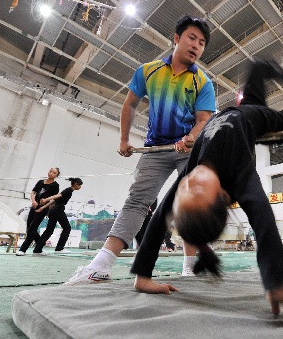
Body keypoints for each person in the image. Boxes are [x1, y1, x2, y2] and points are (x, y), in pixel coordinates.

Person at [131, 58, 283, 328]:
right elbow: (262, 219)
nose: (190, 182)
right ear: (224, 195)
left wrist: (142, 275)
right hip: (259, 120)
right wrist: (281, 284)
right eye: (198, 188)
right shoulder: (240, 176)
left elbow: (158, 222)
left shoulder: (190, 175)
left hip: (243, 107)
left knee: (258, 66)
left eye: (184, 188)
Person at [63, 15, 216, 285]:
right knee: (137, 201)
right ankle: (101, 266)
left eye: (202, 43)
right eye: (192, 38)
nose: (196, 46)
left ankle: (190, 267)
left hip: (188, 150)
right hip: (155, 150)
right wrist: (124, 140)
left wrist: (191, 137)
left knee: (191, 205)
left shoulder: (203, 82)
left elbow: (203, 120)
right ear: (177, 38)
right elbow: (130, 104)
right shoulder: (148, 71)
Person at [16, 167, 60, 256]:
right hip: (34, 206)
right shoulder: (40, 182)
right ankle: (40, 243)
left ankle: (23, 249)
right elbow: (33, 192)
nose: (51, 173)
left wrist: (44, 208)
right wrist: (33, 201)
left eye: (54, 173)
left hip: (43, 208)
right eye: (50, 171)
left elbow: (54, 199)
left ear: (57, 175)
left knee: (33, 227)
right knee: (29, 227)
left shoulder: (55, 185)